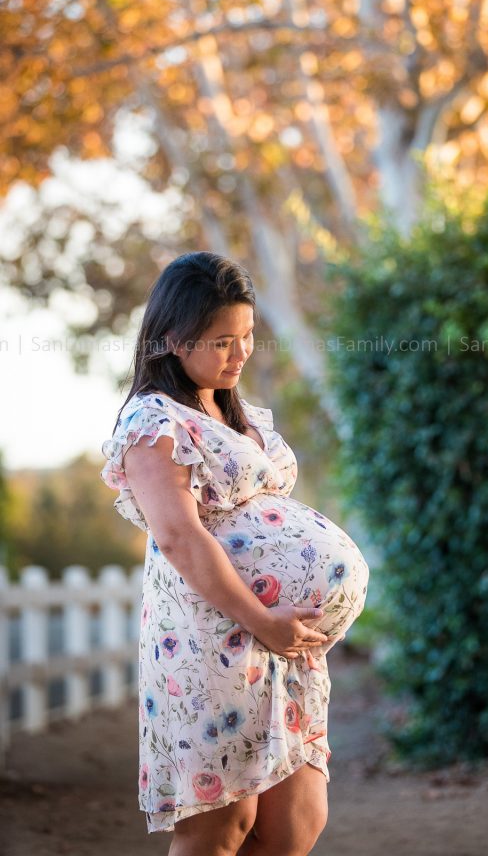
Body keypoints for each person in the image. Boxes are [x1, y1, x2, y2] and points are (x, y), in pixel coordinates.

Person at [100, 251, 370, 856]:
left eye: (246, 336)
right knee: (223, 826)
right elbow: (179, 536)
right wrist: (262, 620)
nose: (240, 353)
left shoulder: (234, 411)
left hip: (280, 644)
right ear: (172, 339)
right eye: (222, 341)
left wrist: (282, 626)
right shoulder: (154, 421)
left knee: (295, 823)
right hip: (211, 638)